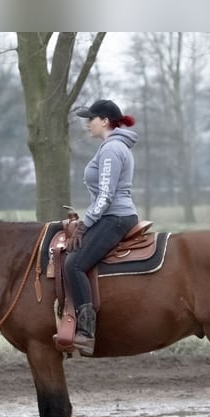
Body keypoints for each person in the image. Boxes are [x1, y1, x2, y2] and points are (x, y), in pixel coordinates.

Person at [63, 99, 139, 356]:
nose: (87, 125)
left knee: (73, 264)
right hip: (113, 215)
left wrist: (85, 224)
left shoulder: (111, 150)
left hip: (114, 217)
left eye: (91, 119)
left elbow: (106, 196)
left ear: (105, 121)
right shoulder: (113, 147)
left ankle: (86, 332)